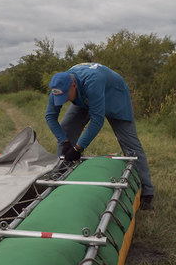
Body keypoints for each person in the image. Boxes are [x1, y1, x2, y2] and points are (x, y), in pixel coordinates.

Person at [45, 63, 155, 209]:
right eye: (60, 97)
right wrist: (64, 141)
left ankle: (147, 192)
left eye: (66, 96)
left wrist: (78, 148)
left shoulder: (92, 82)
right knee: (66, 129)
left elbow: (97, 120)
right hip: (85, 97)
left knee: (129, 143)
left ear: (73, 85)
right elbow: (50, 117)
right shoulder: (59, 85)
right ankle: (59, 179)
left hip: (114, 95)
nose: (64, 100)